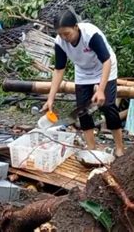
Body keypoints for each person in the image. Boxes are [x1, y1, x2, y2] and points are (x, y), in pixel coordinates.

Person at [42, 8, 125, 157]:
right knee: (82, 110)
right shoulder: (60, 42)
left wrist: (100, 90)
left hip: (105, 67)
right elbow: (59, 69)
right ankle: (91, 148)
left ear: (76, 27)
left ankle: (119, 147)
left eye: (67, 33)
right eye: (60, 34)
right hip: (83, 71)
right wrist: (50, 99)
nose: (64, 37)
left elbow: (106, 61)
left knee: (108, 106)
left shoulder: (91, 35)